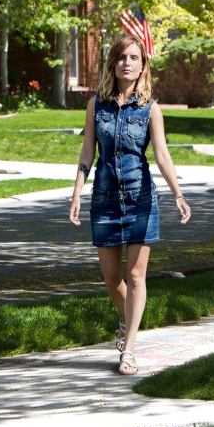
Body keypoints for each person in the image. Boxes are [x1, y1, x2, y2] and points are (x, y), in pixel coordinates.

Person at [68, 34, 191, 376]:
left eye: (134, 57)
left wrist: (178, 193)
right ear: (113, 63)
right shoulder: (97, 105)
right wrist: (77, 193)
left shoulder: (151, 109)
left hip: (140, 199)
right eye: (122, 57)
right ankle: (130, 322)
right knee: (111, 278)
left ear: (142, 65)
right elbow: (87, 152)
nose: (128, 63)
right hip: (105, 199)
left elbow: (162, 155)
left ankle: (130, 349)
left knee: (136, 275)